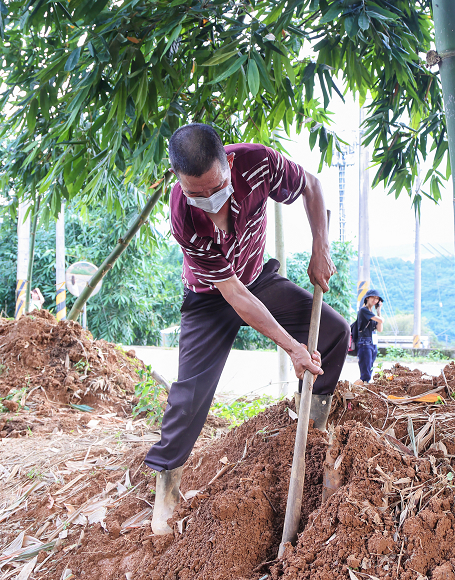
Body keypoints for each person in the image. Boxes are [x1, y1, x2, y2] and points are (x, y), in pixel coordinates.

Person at [145, 123, 351, 535]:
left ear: (229, 163)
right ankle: (167, 488)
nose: (207, 200)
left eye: (215, 188)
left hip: (257, 277)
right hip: (211, 296)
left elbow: (310, 184)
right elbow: (235, 297)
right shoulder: (183, 214)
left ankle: (312, 430)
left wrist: (320, 246)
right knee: (188, 398)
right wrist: (292, 346)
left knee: (334, 333)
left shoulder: (258, 162)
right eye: (196, 192)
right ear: (178, 180)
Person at [357, 289, 384, 383]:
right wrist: (379, 317)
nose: (375, 300)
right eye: (373, 297)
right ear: (367, 298)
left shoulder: (372, 312)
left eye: (377, 299)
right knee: (366, 372)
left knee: (370, 368)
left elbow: (380, 329)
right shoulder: (364, 310)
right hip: (365, 343)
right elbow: (381, 321)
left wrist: (379, 311)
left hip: (372, 343)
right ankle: (361, 389)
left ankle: (364, 387)